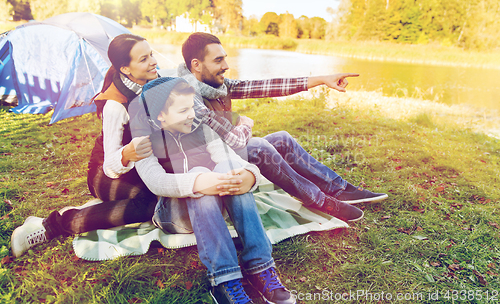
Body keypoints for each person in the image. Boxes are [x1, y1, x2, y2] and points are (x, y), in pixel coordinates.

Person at [132, 32, 387, 223]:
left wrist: (320, 80)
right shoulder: (186, 97)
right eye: (219, 60)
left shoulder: (216, 85)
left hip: (223, 156)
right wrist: (244, 123)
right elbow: (233, 140)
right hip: (204, 171)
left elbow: (266, 85)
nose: (226, 66)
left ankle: (339, 190)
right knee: (260, 146)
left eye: (225, 59)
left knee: (282, 139)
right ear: (197, 65)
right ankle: (321, 202)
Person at [137, 76, 295, 304]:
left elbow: (229, 158)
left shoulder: (201, 128)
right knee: (198, 171)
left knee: (229, 167)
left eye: (192, 107)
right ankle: (224, 279)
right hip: (174, 216)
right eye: (183, 110)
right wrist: (199, 181)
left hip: (212, 208)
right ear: (159, 115)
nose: (192, 114)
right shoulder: (143, 141)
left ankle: (260, 267)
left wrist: (249, 176)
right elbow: (156, 181)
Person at [11, 35, 160, 257]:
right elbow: (110, 166)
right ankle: (52, 225)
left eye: (152, 55)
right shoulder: (115, 105)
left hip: (139, 169)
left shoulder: (156, 85)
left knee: (163, 197)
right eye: (144, 59)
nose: (153, 62)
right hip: (105, 173)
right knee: (147, 205)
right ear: (126, 69)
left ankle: (92, 209)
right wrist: (127, 154)